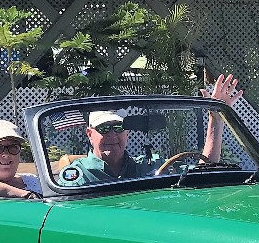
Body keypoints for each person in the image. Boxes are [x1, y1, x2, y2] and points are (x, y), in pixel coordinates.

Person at [59, 74, 244, 185]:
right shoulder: (77, 176)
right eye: (104, 128)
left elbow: (203, 173)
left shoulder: (151, 166)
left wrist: (216, 119)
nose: (113, 134)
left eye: (119, 127)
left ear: (127, 132)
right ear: (90, 134)